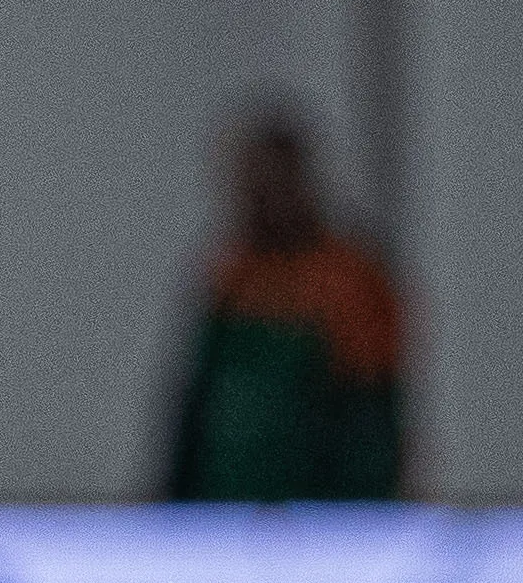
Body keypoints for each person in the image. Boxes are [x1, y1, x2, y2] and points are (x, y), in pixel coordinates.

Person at [164, 112, 406, 502]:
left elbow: (372, 426)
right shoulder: (230, 277)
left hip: (318, 519)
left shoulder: (349, 279)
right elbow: (193, 414)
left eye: (271, 183)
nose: (259, 199)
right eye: (247, 186)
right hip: (222, 514)